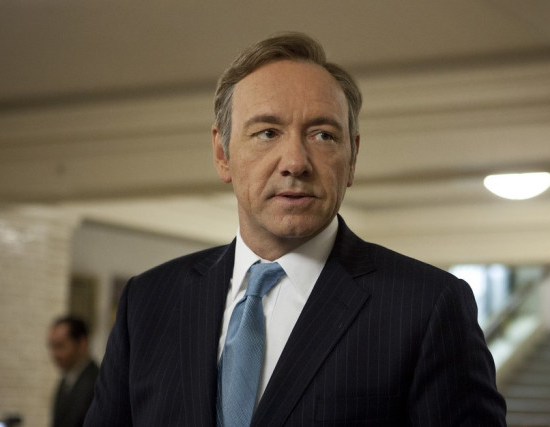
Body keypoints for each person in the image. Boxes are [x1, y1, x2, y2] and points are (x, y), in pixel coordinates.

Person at [84, 32, 507, 426]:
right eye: (267, 133)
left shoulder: (428, 307)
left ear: (352, 158)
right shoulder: (148, 301)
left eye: (323, 135)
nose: (295, 162)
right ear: (221, 153)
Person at [47, 315, 99, 427]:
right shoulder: (66, 380)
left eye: (60, 346)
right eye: (52, 346)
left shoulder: (97, 382)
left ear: (82, 344)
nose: (55, 354)